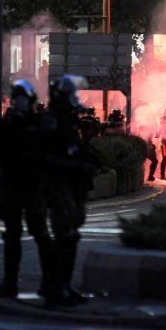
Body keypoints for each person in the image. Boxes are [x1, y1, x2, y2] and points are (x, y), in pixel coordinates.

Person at [36, 74, 97, 306]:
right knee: (63, 237)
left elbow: (73, 149)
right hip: (56, 185)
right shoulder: (51, 120)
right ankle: (55, 286)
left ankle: (63, 285)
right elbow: (45, 157)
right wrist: (75, 165)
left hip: (70, 186)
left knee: (70, 237)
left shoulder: (67, 120)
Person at [0, 80, 42, 298]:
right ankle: (10, 282)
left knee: (40, 234)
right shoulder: (9, 125)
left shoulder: (40, 124)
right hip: (13, 185)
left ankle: (52, 282)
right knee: (13, 235)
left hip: (33, 186)